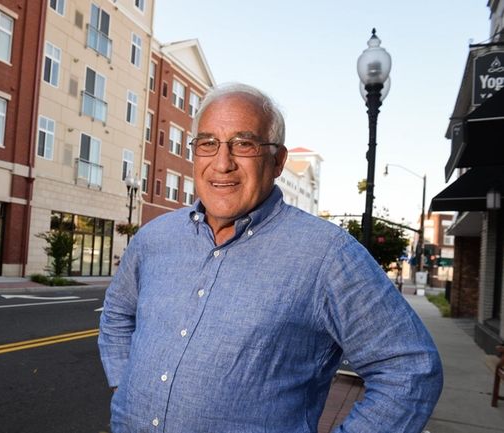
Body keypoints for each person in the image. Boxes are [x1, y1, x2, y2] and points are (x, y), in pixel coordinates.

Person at [98, 82, 442, 433]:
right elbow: (117, 314)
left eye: (243, 144)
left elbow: (410, 368)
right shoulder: (154, 238)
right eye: (207, 144)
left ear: (277, 161)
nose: (222, 163)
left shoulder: (327, 255)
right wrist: (124, 387)